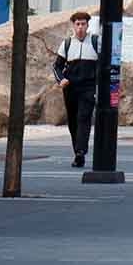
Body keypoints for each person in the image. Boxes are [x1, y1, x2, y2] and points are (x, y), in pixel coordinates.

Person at [53, 11, 100, 168]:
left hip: (88, 87)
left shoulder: (95, 41)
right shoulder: (67, 43)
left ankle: (81, 152)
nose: (80, 27)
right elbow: (57, 66)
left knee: (83, 118)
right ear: (73, 25)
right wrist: (62, 79)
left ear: (87, 25)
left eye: (83, 24)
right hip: (71, 88)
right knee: (73, 121)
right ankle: (77, 152)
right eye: (77, 24)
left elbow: (103, 64)